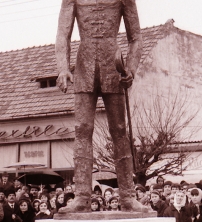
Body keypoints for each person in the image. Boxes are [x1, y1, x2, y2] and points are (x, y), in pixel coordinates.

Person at [55, 0, 143, 213]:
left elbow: (136, 38)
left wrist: (130, 68)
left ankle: (128, 197)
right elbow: (62, 35)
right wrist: (63, 68)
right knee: (82, 130)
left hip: (114, 67)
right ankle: (82, 197)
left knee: (120, 131)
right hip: (84, 67)